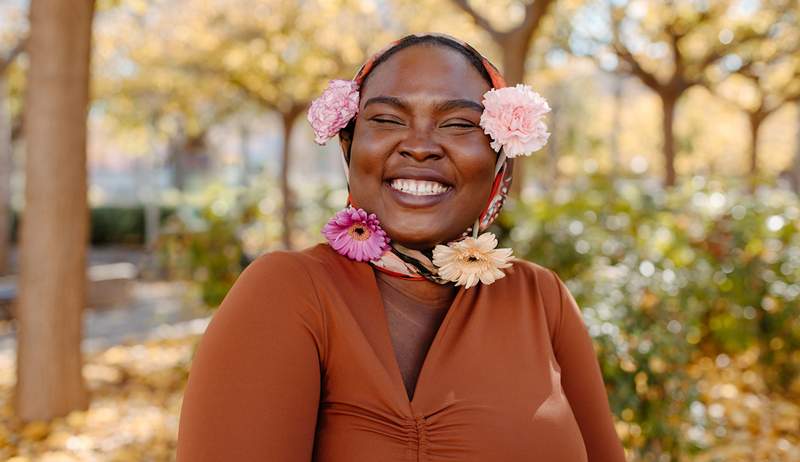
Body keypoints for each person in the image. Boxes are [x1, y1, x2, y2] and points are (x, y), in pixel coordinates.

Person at [176, 33, 626, 461]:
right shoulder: (287, 292)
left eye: (457, 124)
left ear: (499, 161)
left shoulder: (542, 299)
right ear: (349, 146)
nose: (419, 147)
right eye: (388, 120)